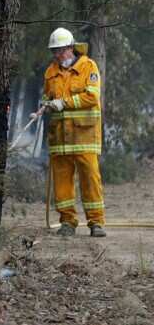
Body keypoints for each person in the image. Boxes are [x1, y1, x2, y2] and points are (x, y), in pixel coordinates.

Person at [42, 27, 105, 237]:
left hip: (84, 136)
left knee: (90, 179)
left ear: (71, 47)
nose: (58, 55)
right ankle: (67, 222)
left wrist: (64, 103)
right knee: (62, 183)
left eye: (61, 50)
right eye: (55, 52)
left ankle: (96, 223)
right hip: (59, 139)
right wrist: (45, 104)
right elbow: (47, 97)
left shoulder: (89, 66)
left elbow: (91, 97)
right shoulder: (50, 72)